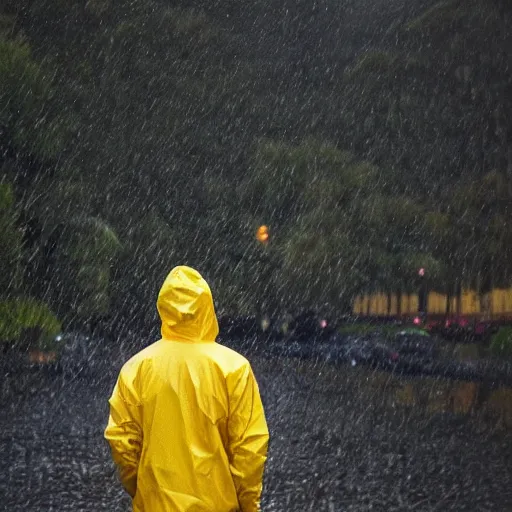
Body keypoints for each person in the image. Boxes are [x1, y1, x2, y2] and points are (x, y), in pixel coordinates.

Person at [104, 266, 269, 512]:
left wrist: (143, 490)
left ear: (164, 308)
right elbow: (249, 447)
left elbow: (122, 442)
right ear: (207, 308)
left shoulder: (136, 368)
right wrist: (248, 505)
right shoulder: (234, 368)